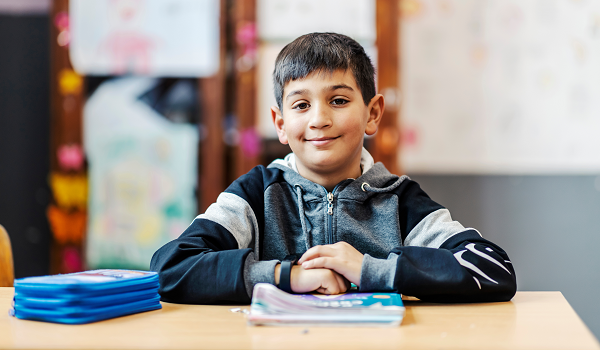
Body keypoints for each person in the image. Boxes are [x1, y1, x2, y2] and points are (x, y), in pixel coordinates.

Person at [150, 32, 517, 304]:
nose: (319, 119)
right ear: (280, 124)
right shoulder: (256, 193)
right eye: (301, 105)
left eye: (338, 100)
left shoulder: (399, 199)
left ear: (372, 114)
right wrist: (285, 276)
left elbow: (492, 268)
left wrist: (369, 270)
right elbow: (169, 268)